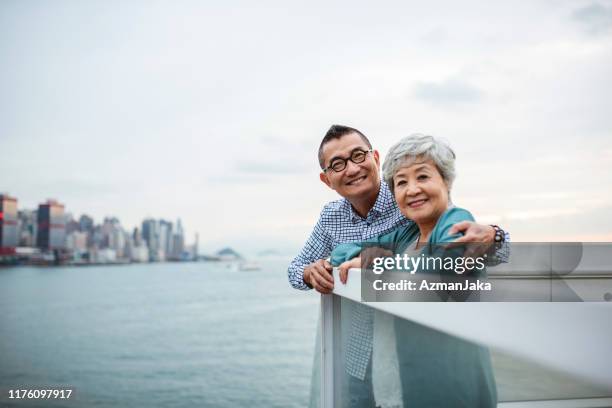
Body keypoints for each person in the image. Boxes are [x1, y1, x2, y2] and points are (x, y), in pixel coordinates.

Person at [287, 125, 508, 406]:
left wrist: (497, 235)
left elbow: (453, 249)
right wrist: (311, 271)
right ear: (326, 179)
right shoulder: (338, 219)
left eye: (358, 155)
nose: (352, 169)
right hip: (362, 353)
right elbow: (301, 268)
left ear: (375, 158)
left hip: (425, 350)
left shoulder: (415, 204)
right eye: (338, 164)